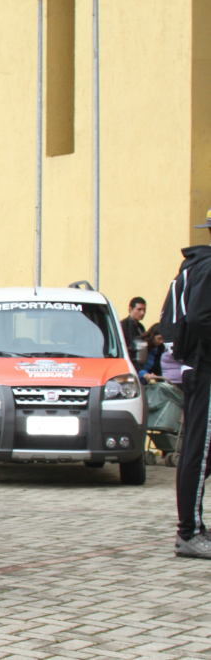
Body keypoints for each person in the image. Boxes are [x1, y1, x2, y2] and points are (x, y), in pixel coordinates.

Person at [166, 207, 211, 559]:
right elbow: (199, 318)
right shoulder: (209, 267)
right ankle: (189, 532)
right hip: (206, 369)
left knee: (203, 450)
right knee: (198, 449)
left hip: (198, 367)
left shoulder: (198, 266)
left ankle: (194, 526)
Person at [122, 297, 148, 362]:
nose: (143, 313)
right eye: (139, 309)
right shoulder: (123, 325)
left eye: (144, 309)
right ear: (131, 309)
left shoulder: (141, 327)